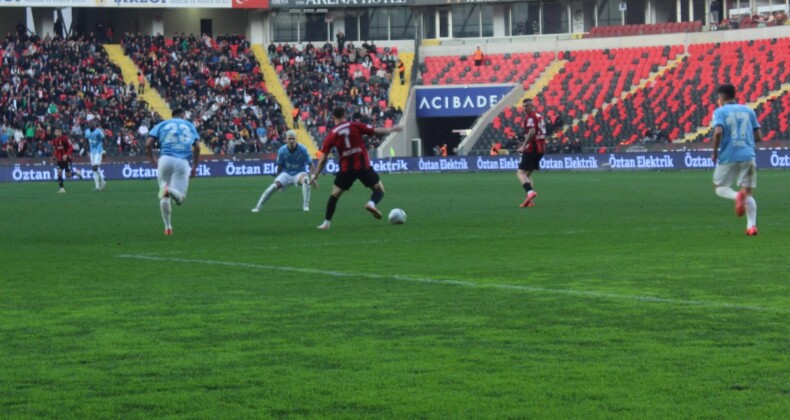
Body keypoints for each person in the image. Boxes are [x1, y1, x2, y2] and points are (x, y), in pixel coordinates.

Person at [311, 107, 403, 230]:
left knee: (334, 195)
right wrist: (392, 129)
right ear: (345, 115)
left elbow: (323, 158)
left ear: (333, 117)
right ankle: (371, 203)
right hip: (363, 165)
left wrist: (316, 174)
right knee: (379, 190)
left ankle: (326, 223)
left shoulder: (331, 134)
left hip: (346, 169)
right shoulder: (354, 125)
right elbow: (375, 131)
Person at [710, 84, 762, 236]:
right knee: (748, 193)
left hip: (728, 156)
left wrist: (714, 152)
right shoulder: (749, 110)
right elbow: (758, 137)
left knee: (719, 187)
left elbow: (718, 131)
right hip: (748, 155)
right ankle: (751, 226)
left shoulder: (720, 111)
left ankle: (736, 196)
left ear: (722, 98)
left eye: (718, 98)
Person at [145, 109, 201, 236]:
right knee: (180, 199)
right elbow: (197, 147)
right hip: (182, 161)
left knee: (163, 195)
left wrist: (153, 160)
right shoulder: (189, 125)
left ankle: (168, 227)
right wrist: (195, 166)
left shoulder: (162, 124)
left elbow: (148, 144)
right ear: (183, 115)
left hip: (164, 159)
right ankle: (169, 189)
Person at [252, 130, 315, 213]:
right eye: (289, 139)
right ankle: (258, 207)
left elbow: (310, 164)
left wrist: (313, 177)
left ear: (296, 139)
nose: (291, 141)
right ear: (286, 139)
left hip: (299, 173)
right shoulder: (282, 151)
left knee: (306, 180)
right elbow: (280, 166)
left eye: (293, 139)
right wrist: (278, 179)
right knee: (272, 187)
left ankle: (306, 206)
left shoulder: (303, 149)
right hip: (286, 173)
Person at [516, 98, 546, 208]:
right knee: (527, 175)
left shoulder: (531, 117)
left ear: (533, 105)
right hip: (540, 149)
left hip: (532, 149)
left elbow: (532, 131)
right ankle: (529, 200)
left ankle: (530, 193)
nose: (525, 108)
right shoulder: (539, 116)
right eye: (524, 106)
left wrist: (524, 146)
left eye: (527, 106)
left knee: (520, 173)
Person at [84, 117, 107, 191]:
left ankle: (102, 181)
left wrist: (104, 151)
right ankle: (97, 186)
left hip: (98, 151)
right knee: (94, 169)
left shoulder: (99, 132)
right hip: (92, 151)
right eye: (90, 123)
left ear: (94, 124)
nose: (91, 124)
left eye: (92, 123)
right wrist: (84, 148)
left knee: (95, 167)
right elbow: (86, 140)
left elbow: (104, 141)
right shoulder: (87, 131)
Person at [51, 128, 77, 193]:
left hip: (67, 159)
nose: (58, 133)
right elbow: (56, 150)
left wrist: (66, 155)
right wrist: (54, 156)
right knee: (59, 173)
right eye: (56, 131)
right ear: (55, 133)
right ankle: (62, 189)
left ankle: (76, 173)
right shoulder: (54, 141)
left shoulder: (65, 138)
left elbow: (71, 147)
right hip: (59, 159)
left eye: (59, 131)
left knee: (67, 175)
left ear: (61, 132)